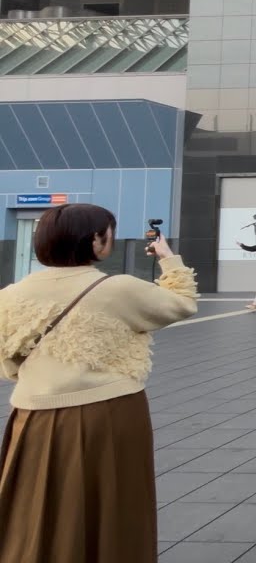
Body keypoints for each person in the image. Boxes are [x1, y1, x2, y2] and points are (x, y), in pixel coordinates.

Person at [0, 203, 198, 563]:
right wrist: (168, 258)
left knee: (37, 504)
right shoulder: (116, 288)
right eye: (108, 232)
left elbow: (7, 362)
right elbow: (182, 304)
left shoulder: (12, 294)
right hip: (109, 412)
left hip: (32, 416)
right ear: (95, 241)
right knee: (113, 505)